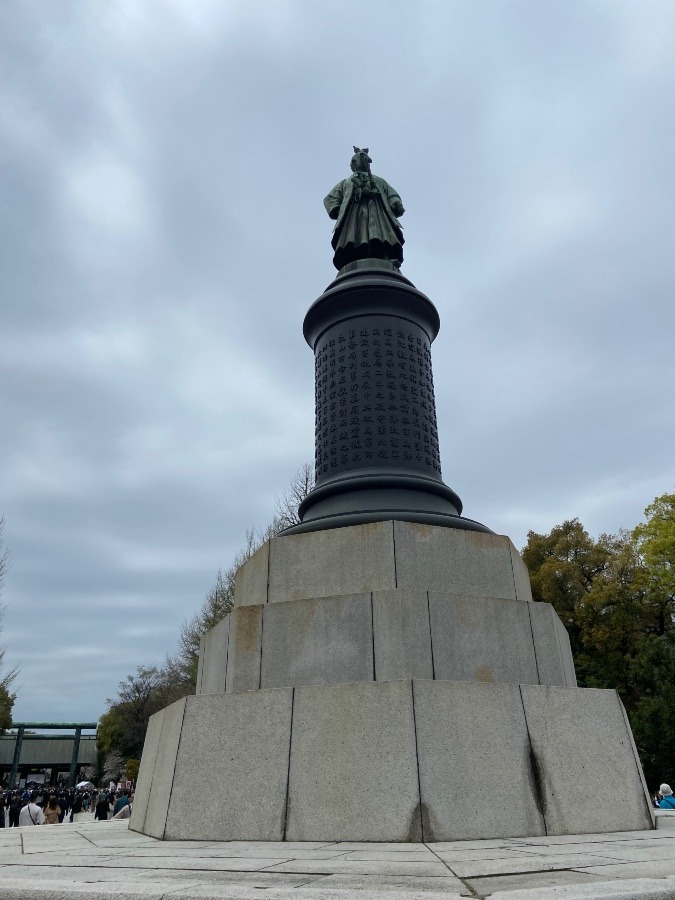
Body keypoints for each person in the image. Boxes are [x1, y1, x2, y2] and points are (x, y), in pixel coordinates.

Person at [324, 147, 405, 270]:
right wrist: (336, 209)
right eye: (355, 161)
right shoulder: (347, 182)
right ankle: (353, 258)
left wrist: (395, 202)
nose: (357, 163)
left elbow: (391, 193)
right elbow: (330, 198)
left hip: (377, 211)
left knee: (381, 233)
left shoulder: (378, 180)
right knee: (353, 235)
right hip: (354, 212)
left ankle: (385, 256)